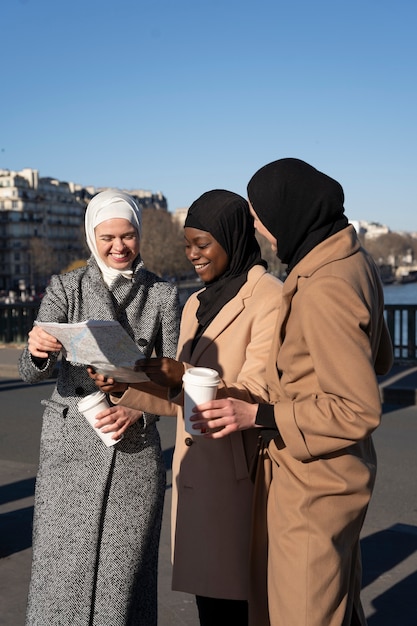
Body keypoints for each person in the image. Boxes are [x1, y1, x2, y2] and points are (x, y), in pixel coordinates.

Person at [190, 159, 394, 626]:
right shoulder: (352, 260)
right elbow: (379, 360)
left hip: (312, 482)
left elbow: (358, 408)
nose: (258, 228)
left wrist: (262, 415)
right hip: (338, 475)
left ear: (289, 210)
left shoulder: (324, 284)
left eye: (261, 216)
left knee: (300, 612)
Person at [90, 189, 283, 626]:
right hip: (194, 475)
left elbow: (258, 392)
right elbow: (181, 400)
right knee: (209, 606)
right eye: (187, 245)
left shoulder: (270, 297)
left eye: (203, 244)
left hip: (239, 478)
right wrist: (123, 384)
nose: (193, 255)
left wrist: (183, 375)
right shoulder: (197, 301)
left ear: (232, 239)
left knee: (240, 606)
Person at [18, 189, 180, 626]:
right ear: (92, 237)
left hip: (134, 452)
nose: (119, 246)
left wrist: (138, 409)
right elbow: (30, 372)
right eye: (107, 237)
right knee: (60, 578)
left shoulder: (162, 295)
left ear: (140, 234)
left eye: (128, 236)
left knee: (123, 581)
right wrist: (37, 350)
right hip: (70, 450)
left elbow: (177, 383)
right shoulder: (65, 286)